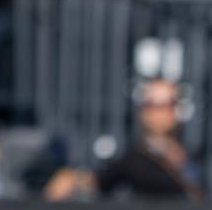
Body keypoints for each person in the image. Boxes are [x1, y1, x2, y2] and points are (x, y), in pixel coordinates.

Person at [56, 76, 202, 200]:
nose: (159, 113)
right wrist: (74, 178)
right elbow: (101, 180)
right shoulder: (135, 158)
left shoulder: (193, 155)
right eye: (151, 105)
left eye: (166, 105)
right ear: (143, 112)